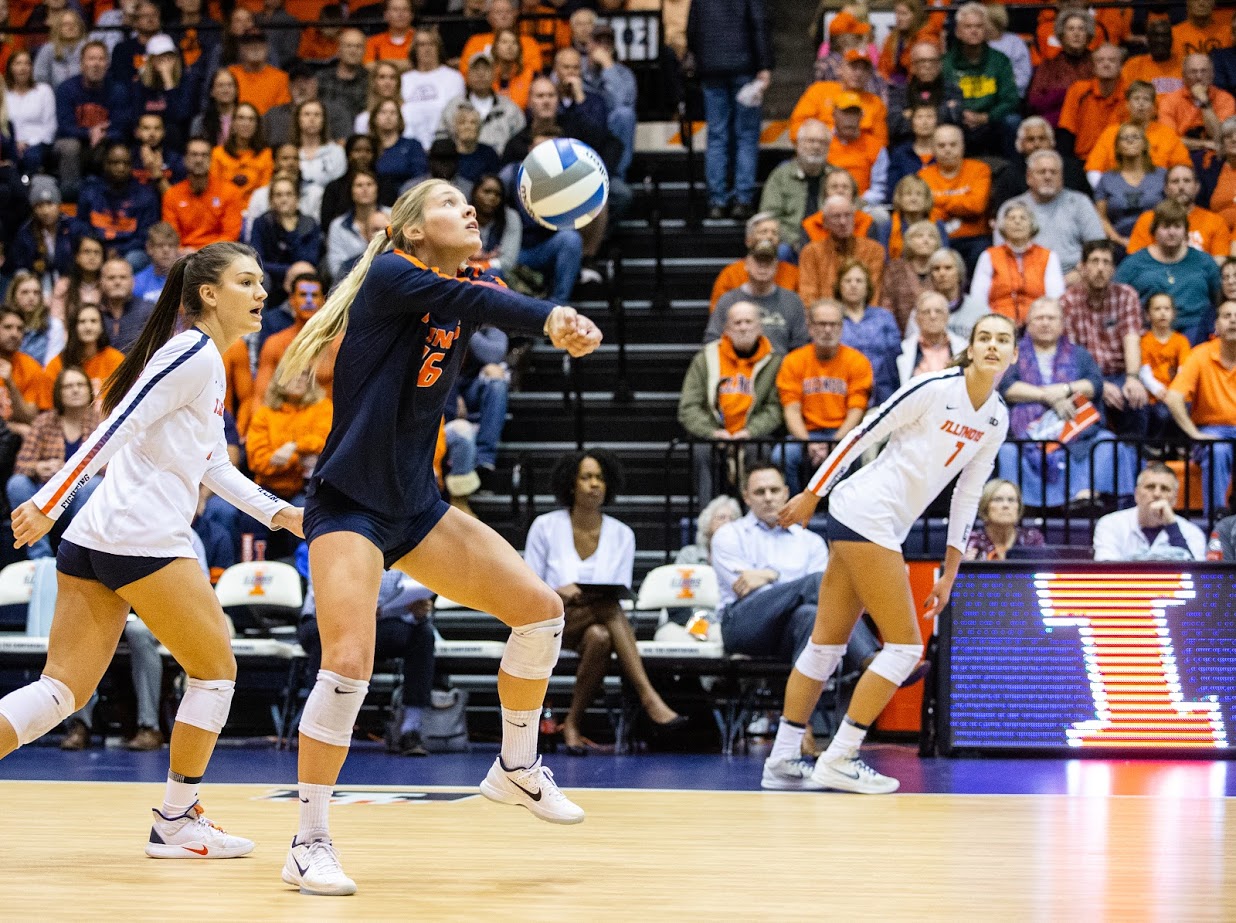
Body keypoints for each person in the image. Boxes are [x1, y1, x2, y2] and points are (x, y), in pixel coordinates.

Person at [273, 179, 601, 894]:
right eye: (451, 203)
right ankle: (308, 841)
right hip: (350, 504)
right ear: (412, 231)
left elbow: (482, 295)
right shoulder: (392, 275)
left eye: (469, 203)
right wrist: (552, 318)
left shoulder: (460, 280)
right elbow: (485, 303)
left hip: (415, 505)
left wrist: (551, 319)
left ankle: (515, 767)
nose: (471, 210)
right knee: (349, 664)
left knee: (541, 612)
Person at [0, 242, 303, 860]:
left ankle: (177, 819)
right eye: (248, 282)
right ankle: (176, 819)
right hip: (140, 540)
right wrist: (49, 500)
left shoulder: (207, 360)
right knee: (216, 672)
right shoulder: (192, 351)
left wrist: (282, 513)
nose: (263, 294)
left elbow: (213, 463)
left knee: (61, 691)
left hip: (96, 541)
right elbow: (115, 426)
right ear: (210, 294)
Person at [762, 313, 1016, 793]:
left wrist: (950, 573)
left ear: (1013, 355)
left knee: (825, 646)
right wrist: (813, 493)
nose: (992, 346)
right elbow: (863, 434)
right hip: (865, 512)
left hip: (876, 522)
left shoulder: (997, 417)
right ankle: (841, 755)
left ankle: (780, 761)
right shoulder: (933, 387)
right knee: (904, 647)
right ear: (971, 346)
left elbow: (967, 496)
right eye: (985, 337)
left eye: (1003, 340)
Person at [525, 450, 684, 755]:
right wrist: (561, 592)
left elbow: (618, 589)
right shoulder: (544, 526)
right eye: (586, 477)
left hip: (596, 619)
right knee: (608, 613)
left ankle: (572, 724)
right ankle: (648, 696)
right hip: (551, 620)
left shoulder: (622, 534)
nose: (594, 484)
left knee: (600, 636)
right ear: (571, 484)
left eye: (599, 478)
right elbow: (531, 587)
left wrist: (587, 595)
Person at [997, 297, 1135, 507]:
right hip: (1027, 434)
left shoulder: (1079, 354)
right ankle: (1020, 505)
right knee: (1006, 451)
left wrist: (1064, 390)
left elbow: (1094, 385)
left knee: (1106, 442)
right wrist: (1047, 397)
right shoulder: (1014, 355)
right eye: (1039, 318)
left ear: (1062, 324)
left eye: (1051, 318)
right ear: (1028, 323)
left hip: (1074, 431)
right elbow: (1007, 388)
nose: (1045, 323)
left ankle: (1085, 499)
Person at [299, 567, 435, 757]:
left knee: (423, 634)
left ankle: (410, 729)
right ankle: (318, 726)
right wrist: (360, 611)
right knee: (322, 634)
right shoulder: (333, 540)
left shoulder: (400, 548)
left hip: (382, 623)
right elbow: (323, 599)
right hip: (332, 621)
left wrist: (417, 612)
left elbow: (413, 590)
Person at [678, 301, 783, 505]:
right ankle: (708, 518)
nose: (743, 327)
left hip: (752, 436)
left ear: (760, 327)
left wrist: (750, 431)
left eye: (748, 322)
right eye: (737, 323)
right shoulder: (705, 358)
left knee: (758, 450)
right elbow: (688, 407)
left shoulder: (774, 362)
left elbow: (775, 407)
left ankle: (755, 517)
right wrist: (713, 432)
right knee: (701, 451)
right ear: (726, 329)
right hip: (716, 434)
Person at [774, 298, 871, 494]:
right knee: (781, 456)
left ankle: (840, 513)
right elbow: (791, 409)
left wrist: (835, 444)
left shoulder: (857, 361)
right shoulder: (794, 361)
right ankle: (795, 510)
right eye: (821, 324)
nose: (828, 330)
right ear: (810, 327)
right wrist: (808, 443)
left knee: (855, 458)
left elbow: (856, 409)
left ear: (841, 327)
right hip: (805, 434)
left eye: (833, 324)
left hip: (842, 434)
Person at [687, 0, 772, 220]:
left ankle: (717, 201)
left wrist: (702, 59)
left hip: (711, 68)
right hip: (744, 67)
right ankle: (742, 200)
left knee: (716, 135)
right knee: (746, 135)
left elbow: (692, 29)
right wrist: (764, 64)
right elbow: (758, 23)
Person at [5, 367, 102, 559]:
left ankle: (73, 555)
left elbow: (110, 468)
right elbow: (21, 465)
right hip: (44, 499)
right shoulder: (44, 422)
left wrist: (69, 471)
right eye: (68, 386)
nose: (75, 390)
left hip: (79, 499)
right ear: (59, 392)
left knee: (94, 485)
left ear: (89, 390)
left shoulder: (101, 422)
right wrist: (38, 467)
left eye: (80, 385)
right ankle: (40, 557)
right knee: (17, 483)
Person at [1060, 241, 1148, 437]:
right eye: (1094, 261)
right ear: (1082, 267)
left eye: (1106, 262)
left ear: (1113, 269)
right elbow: (1073, 355)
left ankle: (1135, 458)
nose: (1100, 268)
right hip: (1085, 377)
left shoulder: (1126, 295)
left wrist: (1133, 378)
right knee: (1090, 404)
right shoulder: (1068, 301)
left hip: (1120, 373)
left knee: (1136, 398)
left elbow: (1132, 339)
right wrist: (1099, 385)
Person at [1162, 300, 1236, 513]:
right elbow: (1174, 397)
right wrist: (1194, 433)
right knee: (1218, 450)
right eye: (1227, 316)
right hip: (1211, 431)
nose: (1233, 321)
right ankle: (1216, 521)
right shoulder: (1201, 355)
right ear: (1216, 326)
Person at [1115, 200, 1222, 345]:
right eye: (1165, 227)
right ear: (1154, 230)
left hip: (1197, 331)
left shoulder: (1204, 262)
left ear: (1185, 231)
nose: (1171, 232)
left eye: (1177, 226)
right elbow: (1115, 299)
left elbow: (1220, 299)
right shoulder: (1134, 263)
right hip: (1148, 332)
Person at [996, 150, 1105, 281]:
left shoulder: (1080, 202)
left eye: (1053, 172)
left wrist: (1076, 275)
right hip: (1024, 278)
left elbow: (1098, 246)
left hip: (1075, 278)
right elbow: (1001, 254)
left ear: (1062, 177)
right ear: (1029, 177)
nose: (1048, 177)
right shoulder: (1011, 208)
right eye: (1042, 172)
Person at [53, 41, 132, 201]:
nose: (96, 64)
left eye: (101, 59)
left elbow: (122, 126)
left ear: (107, 64)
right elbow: (64, 126)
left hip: (104, 143)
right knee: (69, 146)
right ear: (82, 64)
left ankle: (110, 196)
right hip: (75, 144)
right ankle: (70, 196)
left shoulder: (118, 90)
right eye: (91, 59)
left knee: (116, 147)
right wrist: (89, 133)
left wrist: (103, 135)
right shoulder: (66, 89)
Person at [942, 2, 1020, 157]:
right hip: (958, 120)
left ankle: (1013, 173)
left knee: (1012, 120)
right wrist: (961, 114)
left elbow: (1011, 99)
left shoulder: (1000, 60)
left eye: (979, 26)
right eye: (968, 26)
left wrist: (986, 117)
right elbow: (943, 97)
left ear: (986, 30)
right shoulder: (946, 63)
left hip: (992, 121)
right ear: (958, 32)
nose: (974, 31)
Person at [246, 369, 332, 507]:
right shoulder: (264, 414)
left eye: (304, 374)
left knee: (305, 510)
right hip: (269, 487)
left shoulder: (323, 407)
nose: (298, 379)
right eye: (292, 373)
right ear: (280, 379)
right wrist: (298, 458)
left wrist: (293, 447)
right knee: (255, 511)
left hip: (306, 487)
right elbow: (256, 461)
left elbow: (325, 440)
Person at [970, 203, 1066, 326]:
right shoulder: (988, 256)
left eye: (1023, 218)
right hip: (997, 324)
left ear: (1032, 224)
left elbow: (1055, 299)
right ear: (1003, 225)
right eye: (1011, 218)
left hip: (1037, 324)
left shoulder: (1048, 256)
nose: (1017, 222)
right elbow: (978, 300)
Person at [707, 240, 809, 356]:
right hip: (737, 369)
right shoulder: (728, 300)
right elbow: (712, 340)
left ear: (776, 266)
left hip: (781, 369)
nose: (763, 266)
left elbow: (801, 345)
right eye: (758, 260)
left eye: (768, 261)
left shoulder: (792, 301)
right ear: (746, 264)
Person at [1093, 463, 1207, 560]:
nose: (1157, 494)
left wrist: (1172, 527)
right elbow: (1106, 570)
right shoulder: (1110, 524)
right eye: (1150, 487)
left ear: (1175, 499)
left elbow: (1195, 576)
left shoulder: (1191, 532)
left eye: (1165, 489)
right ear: (1136, 494)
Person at [1085, 82, 1192, 185]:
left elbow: (1183, 168)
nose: (1141, 104)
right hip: (1117, 195)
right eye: (1136, 99)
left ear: (1154, 107)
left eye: (1146, 99)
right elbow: (1094, 169)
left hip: (1158, 194)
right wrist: (1106, 192)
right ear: (1127, 104)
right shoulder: (1111, 133)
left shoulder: (1167, 134)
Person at [918, 124, 991, 275]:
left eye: (953, 144)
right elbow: (925, 212)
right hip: (937, 238)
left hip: (974, 238)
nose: (947, 150)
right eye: (941, 145)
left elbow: (976, 206)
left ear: (962, 146)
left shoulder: (979, 169)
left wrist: (939, 202)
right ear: (933, 149)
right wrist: (962, 203)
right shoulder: (923, 176)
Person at [76, 142, 160, 270]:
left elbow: (145, 235)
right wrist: (101, 250)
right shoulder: (90, 191)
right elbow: (81, 227)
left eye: (126, 163)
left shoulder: (145, 195)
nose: (121, 168)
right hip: (96, 248)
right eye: (115, 163)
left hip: (130, 251)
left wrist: (119, 251)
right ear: (105, 164)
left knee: (135, 259)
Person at [757, 120, 830, 258]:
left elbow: (853, 209)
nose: (816, 146)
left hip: (828, 241)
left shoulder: (836, 177)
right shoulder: (781, 176)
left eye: (822, 142)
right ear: (798, 145)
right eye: (811, 141)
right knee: (780, 251)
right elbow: (769, 216)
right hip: (791, 242)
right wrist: (794, 241)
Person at [1126, 164, 1231, 260]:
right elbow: (1136, 261)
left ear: (1197, 187)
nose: (1181, 187)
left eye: (1187, 181)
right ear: (1166, 189)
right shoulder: (1148, 220)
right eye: (1175, 181)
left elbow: (1219, 263)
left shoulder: (1216, 222)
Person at [798, 195, 885, 306]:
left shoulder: (873, 250)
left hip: (863, 318)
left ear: (855, 218)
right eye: (836, 216)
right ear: (825, 222)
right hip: (825, 319)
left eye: (848, 215)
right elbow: (808, 297)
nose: (843, 222)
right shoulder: (811, 252)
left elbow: (873, 296)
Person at [163, 138, 247, 253]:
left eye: (204, 155)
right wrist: (182, 251)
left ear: (211, 160)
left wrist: (203, 254)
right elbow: (171, 235)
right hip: (183, 255)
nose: (199, 160)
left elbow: (230, 235)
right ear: (185, 159)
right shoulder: (172, 194)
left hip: (218, 255)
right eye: (194, 155)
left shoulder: (230, 192)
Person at [834, 261, 900, 407]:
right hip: (842, 390)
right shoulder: (832, 318)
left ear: (867, 286)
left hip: (882, 390)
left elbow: (895, 356)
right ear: (839, 285)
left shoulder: (884, 317)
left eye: (859, 281)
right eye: (848, 280)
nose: (853, 285)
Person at [437, 52, 527, 158]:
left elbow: (521, 141)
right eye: (476, 69)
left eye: (486, 69)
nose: (481, 74)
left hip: (499, 167)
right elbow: (441, 138)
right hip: (461, 167)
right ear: (467, 75)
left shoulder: (509, 109)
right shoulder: (454, 107)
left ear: (494, 75)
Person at [1094, 124, 1167, 254]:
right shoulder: (1106, 179)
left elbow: (1172, 211)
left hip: (1159, 243)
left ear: (1145, 144)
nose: (1130, 140)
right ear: (1117, 147)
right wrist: (1119, 240)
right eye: (1124, 138)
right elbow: (1101, 218)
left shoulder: (1162, 175)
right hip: (1118, 245)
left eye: (1135, 137)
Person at [250, 175, 324, 294]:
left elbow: (310, 260)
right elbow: (256, 260)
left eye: (289, 194)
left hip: (302, 276)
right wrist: (288, 270)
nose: (284, 199)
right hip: (272, 277)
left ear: (297, 198)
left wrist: (291, 233)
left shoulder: (309, 223)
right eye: (278, 195)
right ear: (271, 200)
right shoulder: (261, 223)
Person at [1057, 44, 1129, 163]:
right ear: (1093, 67)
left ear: (1121, 66)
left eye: (1112, 60)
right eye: (1100, 60)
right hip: (1082, 160)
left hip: (1118, 163)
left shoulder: (1130, 95)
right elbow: (1067, 131)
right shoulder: (1078, 90)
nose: (1106, 64)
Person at [43, 303, 125, 403]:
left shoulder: (116, 359)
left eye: (93, 321)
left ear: (102, 327)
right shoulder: (57, 364)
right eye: (82, 322)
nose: (88, 327)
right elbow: (49, 405)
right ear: (74, 327)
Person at [1026, 10, 1095, 128]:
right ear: (1062, 35)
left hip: (1090, 120)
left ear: (1088, 35)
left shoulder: (1097, 62)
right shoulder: (1049, 65)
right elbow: (1035, 101)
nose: (1076, 34)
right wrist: (1066, 94)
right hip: (1055, 123)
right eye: (1071, 29)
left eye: (1081, 29)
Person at [401, 26, 466, 152]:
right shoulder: (404, 79)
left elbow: (456, 114)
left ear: (438, 47)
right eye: (421, 44)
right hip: (409, 148)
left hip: (444, 147)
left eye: (431, 44)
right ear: (414, 49)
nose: (427, 49)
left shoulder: (454, 77)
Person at [887, 41, 963, 146]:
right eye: (922, 61)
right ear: (912, 66)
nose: (927, 65)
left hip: (943, 148)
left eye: (932, 61)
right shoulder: (898, 92)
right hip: (907, 149)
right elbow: (895, 125)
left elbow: (957, 120)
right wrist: (944, 111)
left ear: (940, 65)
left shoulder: (953, 90)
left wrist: (913, 115)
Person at [1138, 293, 1192, 439]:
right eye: (1157, 309)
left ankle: (1182, 448)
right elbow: (1144, 372)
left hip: (1178, 394)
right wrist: (1158, 390)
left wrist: (1175, 392)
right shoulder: (1145, 341)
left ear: (1173, 313)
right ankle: (1158, 447)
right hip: (1155, 396)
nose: (1162, 313)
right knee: (1162, 414)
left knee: (1186, 410)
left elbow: (1184, 369)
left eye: (1167, 309)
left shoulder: (1181, 341)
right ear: (1148, 315)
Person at [1159, 54, 1234, 155]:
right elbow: (1169, 140)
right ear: (1183, 76)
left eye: (1204, 71)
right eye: (1193, 72)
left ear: (1212, 74)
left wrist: (1204, 102)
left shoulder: (1225, 99)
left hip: (1217, 156)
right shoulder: (1169, 101)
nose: (1199, 77)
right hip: (1181, 155)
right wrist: (1205, 144)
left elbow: (1218, 137)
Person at [880, 219, 940, 332]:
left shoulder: (942, 269)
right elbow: (886, 305)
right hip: (898, 334)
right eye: (919, 236)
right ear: (908, 241)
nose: (925, 240)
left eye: (931, 237)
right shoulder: (895, 269)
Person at [211, 102, 273, 210]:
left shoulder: (265, 154)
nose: (246, 123)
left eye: (251, 119)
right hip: (225, 210)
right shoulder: (218, 153)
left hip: (254, 211)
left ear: (256, 125)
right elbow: (214, 190)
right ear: (233, 123)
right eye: (241, 118)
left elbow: (264, 192)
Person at [897, 290, 966, 386]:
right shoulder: (902, 350)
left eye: (938, 311)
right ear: (917, 319)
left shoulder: (964, 348)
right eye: (926, 312)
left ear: (947, 317)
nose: (933, 316)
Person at [964, 479, 1045, 560]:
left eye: (1011, 500)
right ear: (985, 506)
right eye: (998, 499)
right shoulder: (972, 541)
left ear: (1018, 507)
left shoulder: (1031, 540)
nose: (1006, 505)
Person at [7, 50, 57, 176]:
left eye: (27, 63)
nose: (23, 68)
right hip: (10, 143)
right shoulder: (3, 94)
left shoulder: (44, 91)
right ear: (10, 68)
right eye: (18, 63)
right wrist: (15, 143)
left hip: (39, 144)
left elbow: (50, 125)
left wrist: (31, 143)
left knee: (32, 156)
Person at [0, 307, 47, 435]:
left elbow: (30, 418)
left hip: (11, 441)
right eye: (8, 327)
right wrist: (12, 427)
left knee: (28, 432)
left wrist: (10, 383)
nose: (14, 334)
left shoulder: (31, 367)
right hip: (9, 429)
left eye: (19, 329)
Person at [7, 270, 66, 365]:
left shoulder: (54, 325)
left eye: (36, 293)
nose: (31, 297)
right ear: (14, 295)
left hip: (39, 376)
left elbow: (51, 365)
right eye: (25, 292)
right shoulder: (2, 324)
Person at [227, 29, 290, 116]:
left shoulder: (281, 78)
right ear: (241, 49)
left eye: (260, 43)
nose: (255, 46)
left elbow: (281, 114)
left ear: (267, 48)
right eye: (249, 43)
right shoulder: (230, 74)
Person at [97, 258, 153, 355]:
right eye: (111, 278)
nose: (117, 282)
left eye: (123, 277)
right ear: (101, 282)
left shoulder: (150, 311)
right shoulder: (93, 313)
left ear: (133, 281)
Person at [469, 174, 521, 276]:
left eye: (498, 194)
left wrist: (480, 265)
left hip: (493, 274)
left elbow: (507, 262)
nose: (492, 197)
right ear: (474, 192)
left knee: (493, 273)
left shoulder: (510, 217)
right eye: (487, 191)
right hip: (461, 272)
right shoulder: (463, 214)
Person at [1121, 19, 1183, 98]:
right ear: (1148, 39)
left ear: (1172, 40)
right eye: (1155, 35)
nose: (1160, 40)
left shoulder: (1185, 65)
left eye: (1165, 35)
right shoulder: (1133, 65)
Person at [675, 495, 742, 566]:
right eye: (722, 517)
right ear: (708, 522)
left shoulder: (741, 556)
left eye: (732, 519)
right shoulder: (689, 555)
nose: (728, 522)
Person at [132, 224, 180, 309]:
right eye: (160, 246)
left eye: (171, 246)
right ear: (149, 248)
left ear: (177, 249)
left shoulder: (187, 279)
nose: (166, 251)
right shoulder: (137, 283)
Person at [191, 68, 240, 148]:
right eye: (220, 85)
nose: (225, 90)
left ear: (236, 90)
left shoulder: (245, 119)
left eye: (230, 85)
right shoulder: (200, 122)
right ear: (212, 92)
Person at [364, 0, 415, 69]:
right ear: (386, 15)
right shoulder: (373, 41)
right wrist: (407, 64)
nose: (400, 14)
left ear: (411, 15)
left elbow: (424, 64)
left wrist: (382, 62)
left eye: (405, 9)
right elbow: (368, 66)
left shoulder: (419, 39)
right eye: (395, 10)